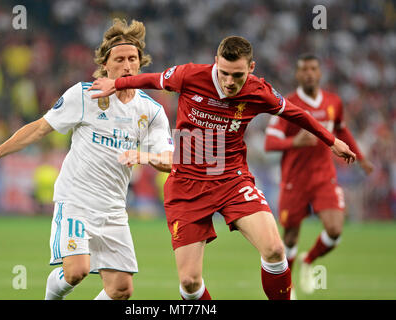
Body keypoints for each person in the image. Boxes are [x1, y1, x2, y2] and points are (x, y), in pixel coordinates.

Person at [88, 36, 357, 300]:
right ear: (216, 62)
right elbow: (151, 79)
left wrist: (331, 141)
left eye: (237, 75)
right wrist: (117, 83)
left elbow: (296, 113)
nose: (230, 82)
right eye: (225, 73)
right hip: (186, 183)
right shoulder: (190, 75)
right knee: (190, 283)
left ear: (251, 68)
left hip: (231, 179)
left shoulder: (258, 91)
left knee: (275, 249)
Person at [0, 19, 174, 300]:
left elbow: (168, 160)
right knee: (77, 270)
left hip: (113, 209)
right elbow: (40, 127)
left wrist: (144, 155)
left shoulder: (151, 111)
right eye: (120, 59)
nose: (127, 65)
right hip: (76, 200)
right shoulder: (84, 95)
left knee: (121, 290)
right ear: (106, 64)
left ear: (141, 64)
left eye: (133, 59)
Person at [264, 53, 373, 295]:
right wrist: (295, 142)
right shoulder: (286, 103)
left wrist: (361, 158)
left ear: (320, 73)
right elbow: (270, 143)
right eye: (304, 69)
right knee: (289, 238)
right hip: (294, 181)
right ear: (297, 74)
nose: (309, 73)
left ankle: (309, 259)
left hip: (324, 177)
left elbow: (341, 129)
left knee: (335, 230)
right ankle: (287, 286)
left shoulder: (334, 102)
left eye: (313, 69)